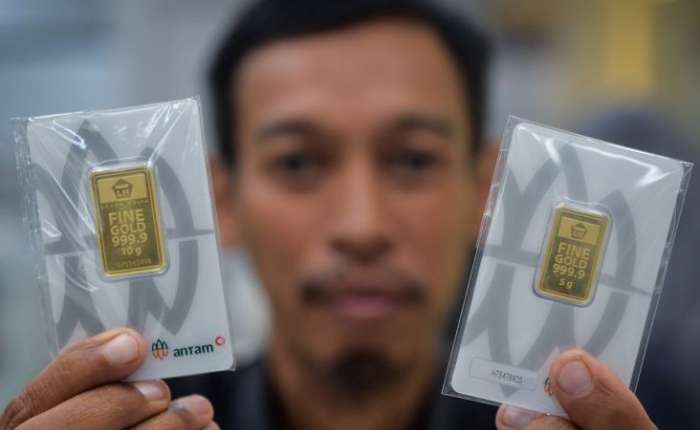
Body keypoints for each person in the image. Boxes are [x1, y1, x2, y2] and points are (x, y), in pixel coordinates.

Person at [1, 1, 658, 429]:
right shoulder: (142, 416)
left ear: (486, 190)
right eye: (297, 163)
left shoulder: (618, 414)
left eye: (414, 160)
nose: (361, 227)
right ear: (222, 200)